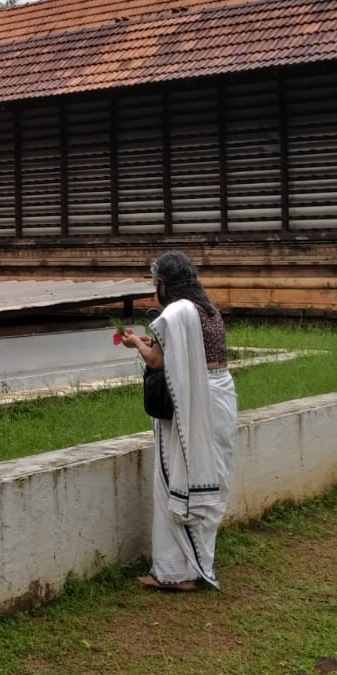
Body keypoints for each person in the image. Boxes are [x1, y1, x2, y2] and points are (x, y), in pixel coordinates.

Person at [119, 251, 237, 593]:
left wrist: (136, 345)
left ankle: (173, 572)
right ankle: (200, 564)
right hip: (218, 396)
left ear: (164, 283)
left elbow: (158, 360)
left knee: (176, 479)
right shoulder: (207, 310)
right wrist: (143, 343)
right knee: (209, 479)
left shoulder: (178, 311)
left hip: (193, 402)